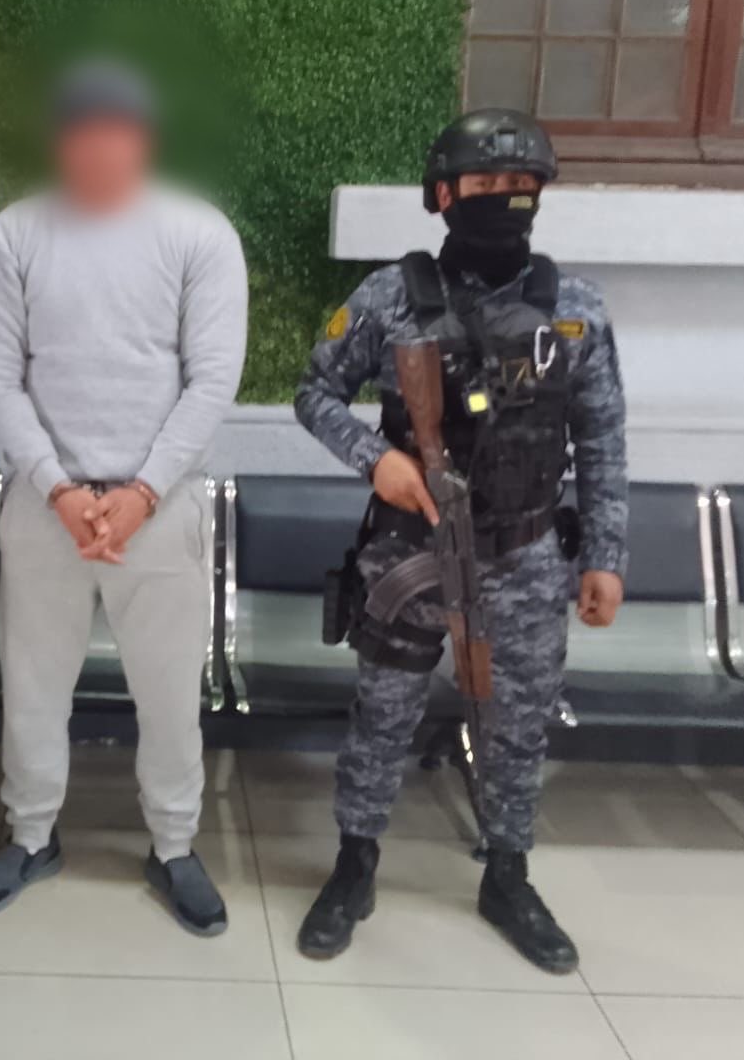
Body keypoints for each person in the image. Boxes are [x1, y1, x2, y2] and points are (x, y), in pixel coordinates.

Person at [292, 109, 628, 974]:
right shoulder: (389, 297)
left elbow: (601, 439)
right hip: (410, 547)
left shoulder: (576, 311)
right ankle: (355, 864)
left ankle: (507, 874)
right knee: (383, 713)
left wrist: (604, 557)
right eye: (486, 184)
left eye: (522, 186)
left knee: (517, 726)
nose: (506, 198)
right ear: (444, 195)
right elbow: (315, 392)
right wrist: (377, 460)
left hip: (524, 555)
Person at [0, 59, 248, 935]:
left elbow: (212, 379)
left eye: (115, 129)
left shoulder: (198, 233)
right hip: (44, 507)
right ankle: (30, 835)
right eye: (82, 129)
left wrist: (141, 492)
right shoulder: (16, 235)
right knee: (33, 687)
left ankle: (173, 845)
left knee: (168, 695)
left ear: (143, 137)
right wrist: (57, 487)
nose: (99, 145)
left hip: (159, 513)